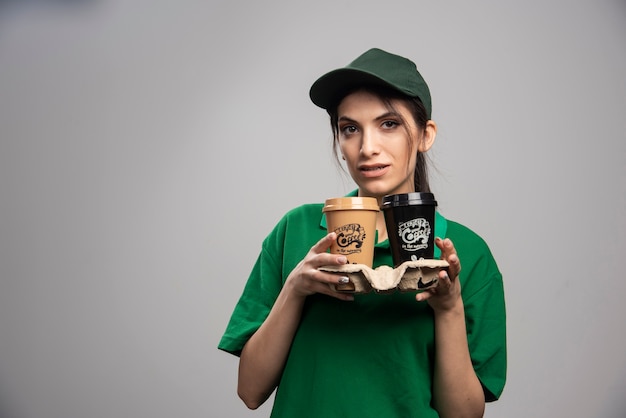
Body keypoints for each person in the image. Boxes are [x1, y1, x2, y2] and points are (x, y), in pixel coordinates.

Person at [218, 48, 506, 418]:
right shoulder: (297, 230)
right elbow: (250, 391)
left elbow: (463, 415)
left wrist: (448, 308)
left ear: (424, 135)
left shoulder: (466, 252)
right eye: (350, 128)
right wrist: (296, 288)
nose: (367, 148)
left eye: (389, 124)